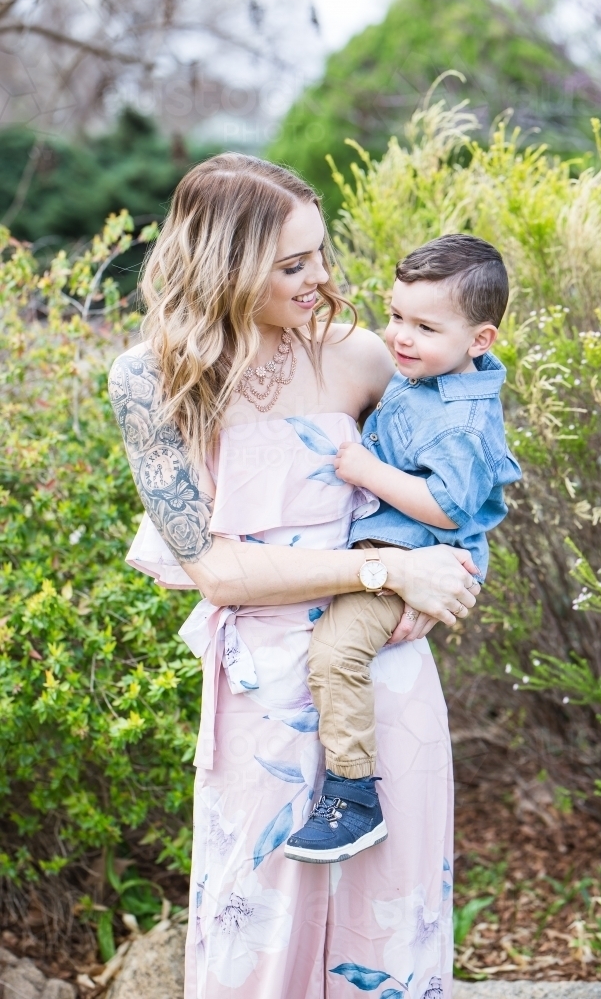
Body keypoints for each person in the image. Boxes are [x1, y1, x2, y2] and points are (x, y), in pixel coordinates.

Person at [108, 152, 480, 999]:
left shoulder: (363, 357)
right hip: (261, 694)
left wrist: (454, 571)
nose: (321, 277)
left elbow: (466, 482)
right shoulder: (149, 379)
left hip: (382, 679)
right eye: (291, 264)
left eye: (319, 253)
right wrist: (389, 572)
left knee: (385, 928)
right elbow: (217, 571)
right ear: (224, 265)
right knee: (258, 932)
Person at [285, 235, 521, 865]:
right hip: (387, 549)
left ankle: (353, 796)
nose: (401, 338)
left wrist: (364, 469)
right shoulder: (428, 378)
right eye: (395, 316)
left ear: (480, 340)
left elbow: (450, 506)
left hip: (408, 558)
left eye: (424, 326)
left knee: (335, 652)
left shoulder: (463, 421)